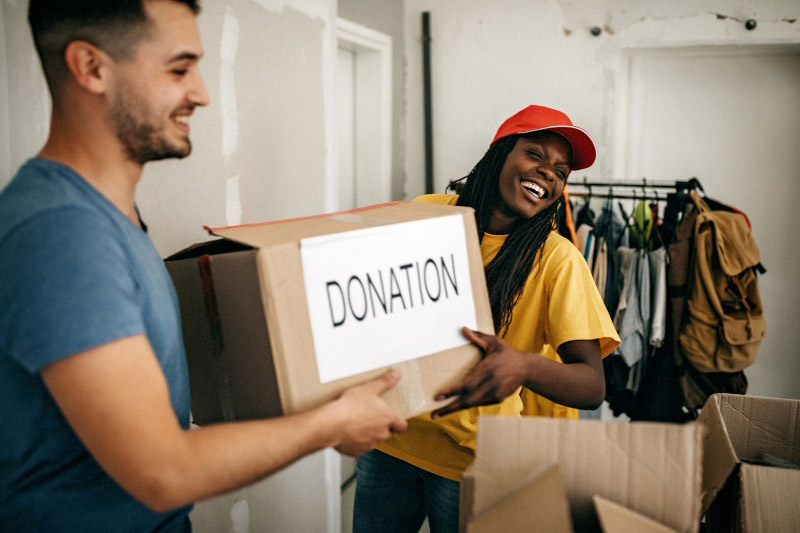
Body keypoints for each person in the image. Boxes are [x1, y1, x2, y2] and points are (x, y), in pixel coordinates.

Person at [0, 1, 407, 531]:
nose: (201, 93)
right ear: (91, 67)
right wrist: (333, 423)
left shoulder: (108, 215)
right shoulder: (63, 233)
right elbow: (163, 471)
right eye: (178, 69)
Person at [353, 105, 621, 532]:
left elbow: (592, 385)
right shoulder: (428, 214)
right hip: (389, 439)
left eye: (561, 171)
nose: (549, 173)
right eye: (535, 155)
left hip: (474, 464)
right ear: (500, 152)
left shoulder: (558, 261)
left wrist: (524, 365)